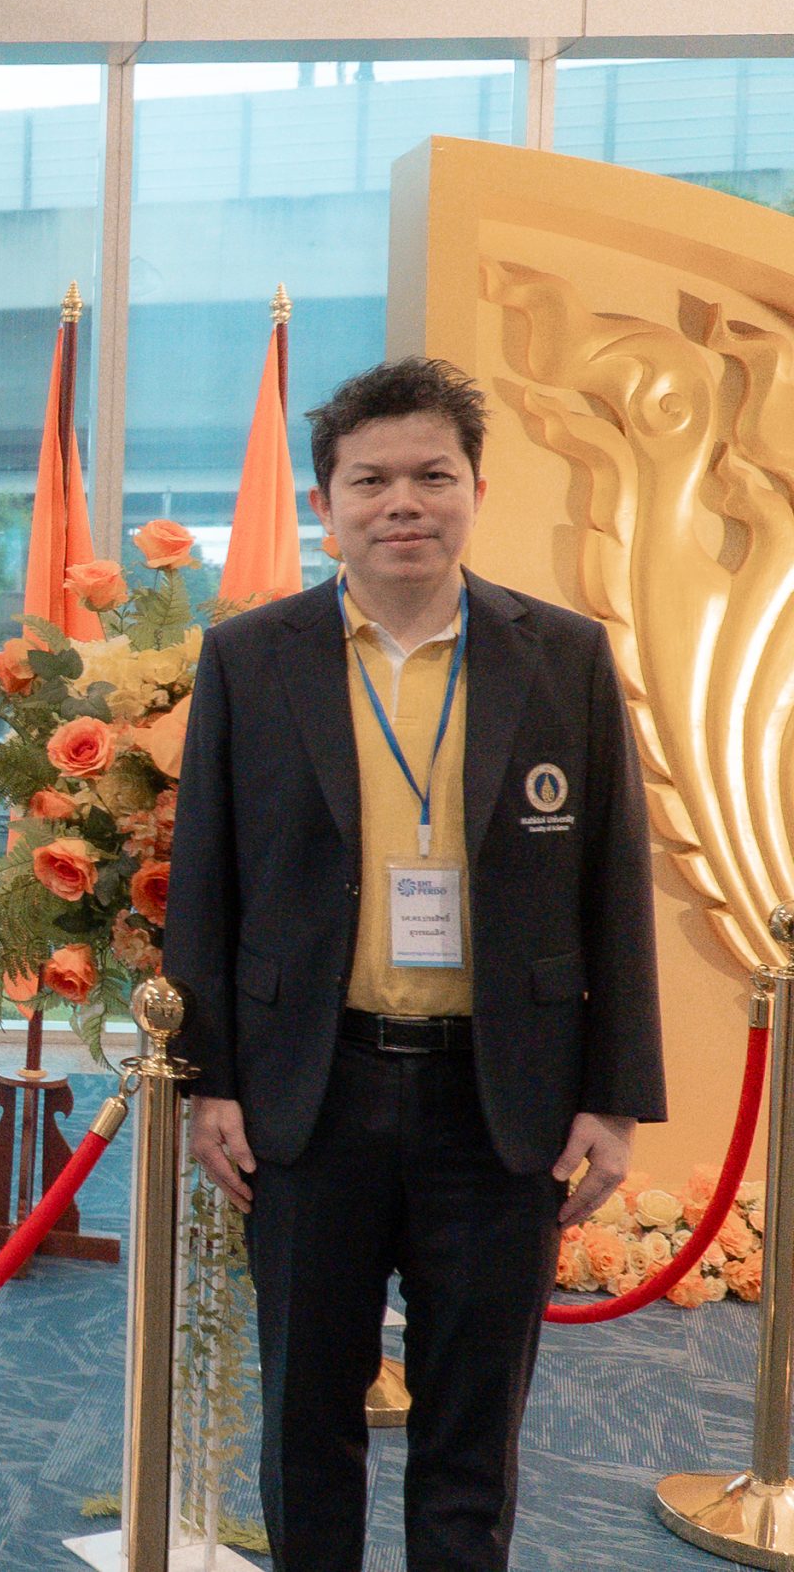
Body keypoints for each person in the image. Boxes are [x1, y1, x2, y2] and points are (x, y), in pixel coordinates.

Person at [169, 356, 664, 1572]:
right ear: (324, 502)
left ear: (476, 490)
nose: (403, 503)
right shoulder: (250, 657)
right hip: (309, 1095)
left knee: (470, 1431)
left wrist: (614, 1097)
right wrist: (207, 1081)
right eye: (370, 480)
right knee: (305, 1417)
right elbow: (206, 882)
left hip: (499, 1101)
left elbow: (613, 883)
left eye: (432, 476)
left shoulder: (562, 655)